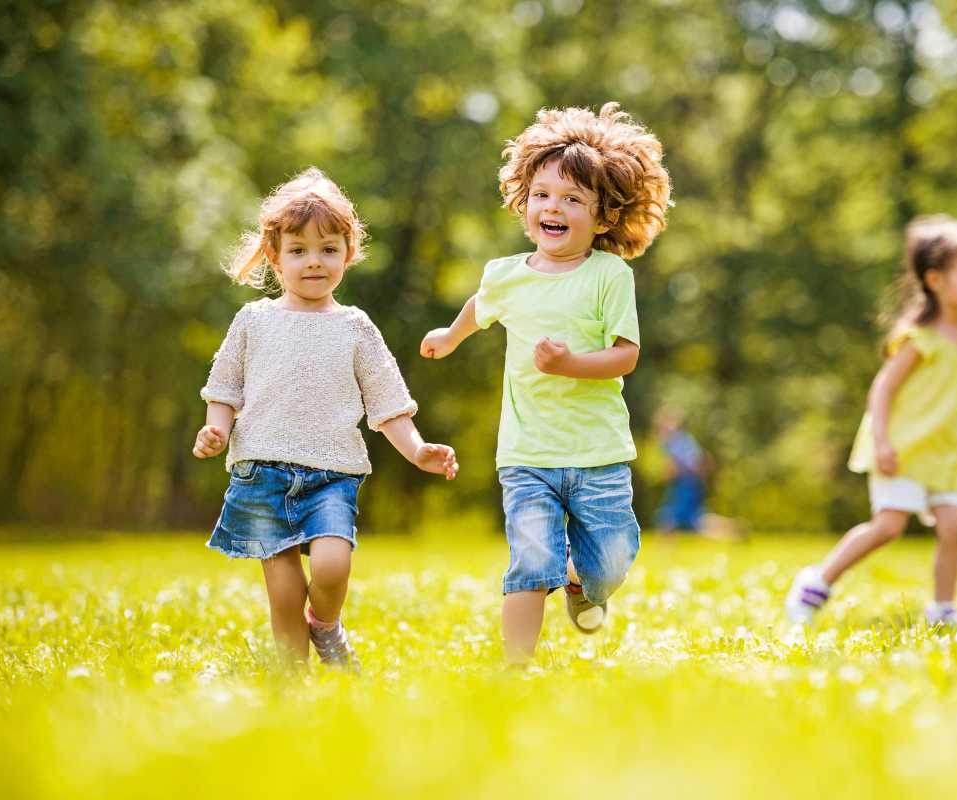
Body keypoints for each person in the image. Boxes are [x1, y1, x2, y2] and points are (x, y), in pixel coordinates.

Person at [420, 102, 671, 663]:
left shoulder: (609, 276)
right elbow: (478, 307)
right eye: (541, 195)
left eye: (572, 199)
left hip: (597, 452)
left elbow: (625, 356)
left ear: (603, 217)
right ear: (524, 201)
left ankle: (585, 585)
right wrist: (451, 335)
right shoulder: (506, 275)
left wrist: (570, 364)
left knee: (613, 555)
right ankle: (517, 668)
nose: (552, 207)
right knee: (531, 560)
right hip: (526, 452)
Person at [193, 167, 458, 670]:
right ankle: (291, 679)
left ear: (348, 253)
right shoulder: (254, 320)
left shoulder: (355, 327)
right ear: (275, 256)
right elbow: (224, 387)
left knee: (333, 566)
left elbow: (388, 403)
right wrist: (216, 430)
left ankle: (326, 624)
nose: (314, 262)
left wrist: (419, 449)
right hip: (262, 472)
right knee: (283, 590)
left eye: (328, 249)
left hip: (332, 473)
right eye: (298, 251)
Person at [785, 214, 957, 629]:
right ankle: (816, 583)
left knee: (954, 526)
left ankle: (943, 609)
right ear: (936, 280)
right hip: (904, 448)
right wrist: (883, 442)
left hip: (949, 452)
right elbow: (882, 390)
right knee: (888, 526)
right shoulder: (918, 338)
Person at [653, 410, 742, 541]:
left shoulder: (676, 442)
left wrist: (667, 475)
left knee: (672, 518)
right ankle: (732, 527)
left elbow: (676, 468)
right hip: (689, 484)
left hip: (685, 485)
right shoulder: (683, 440)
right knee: (694, 519)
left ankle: (663, 554)